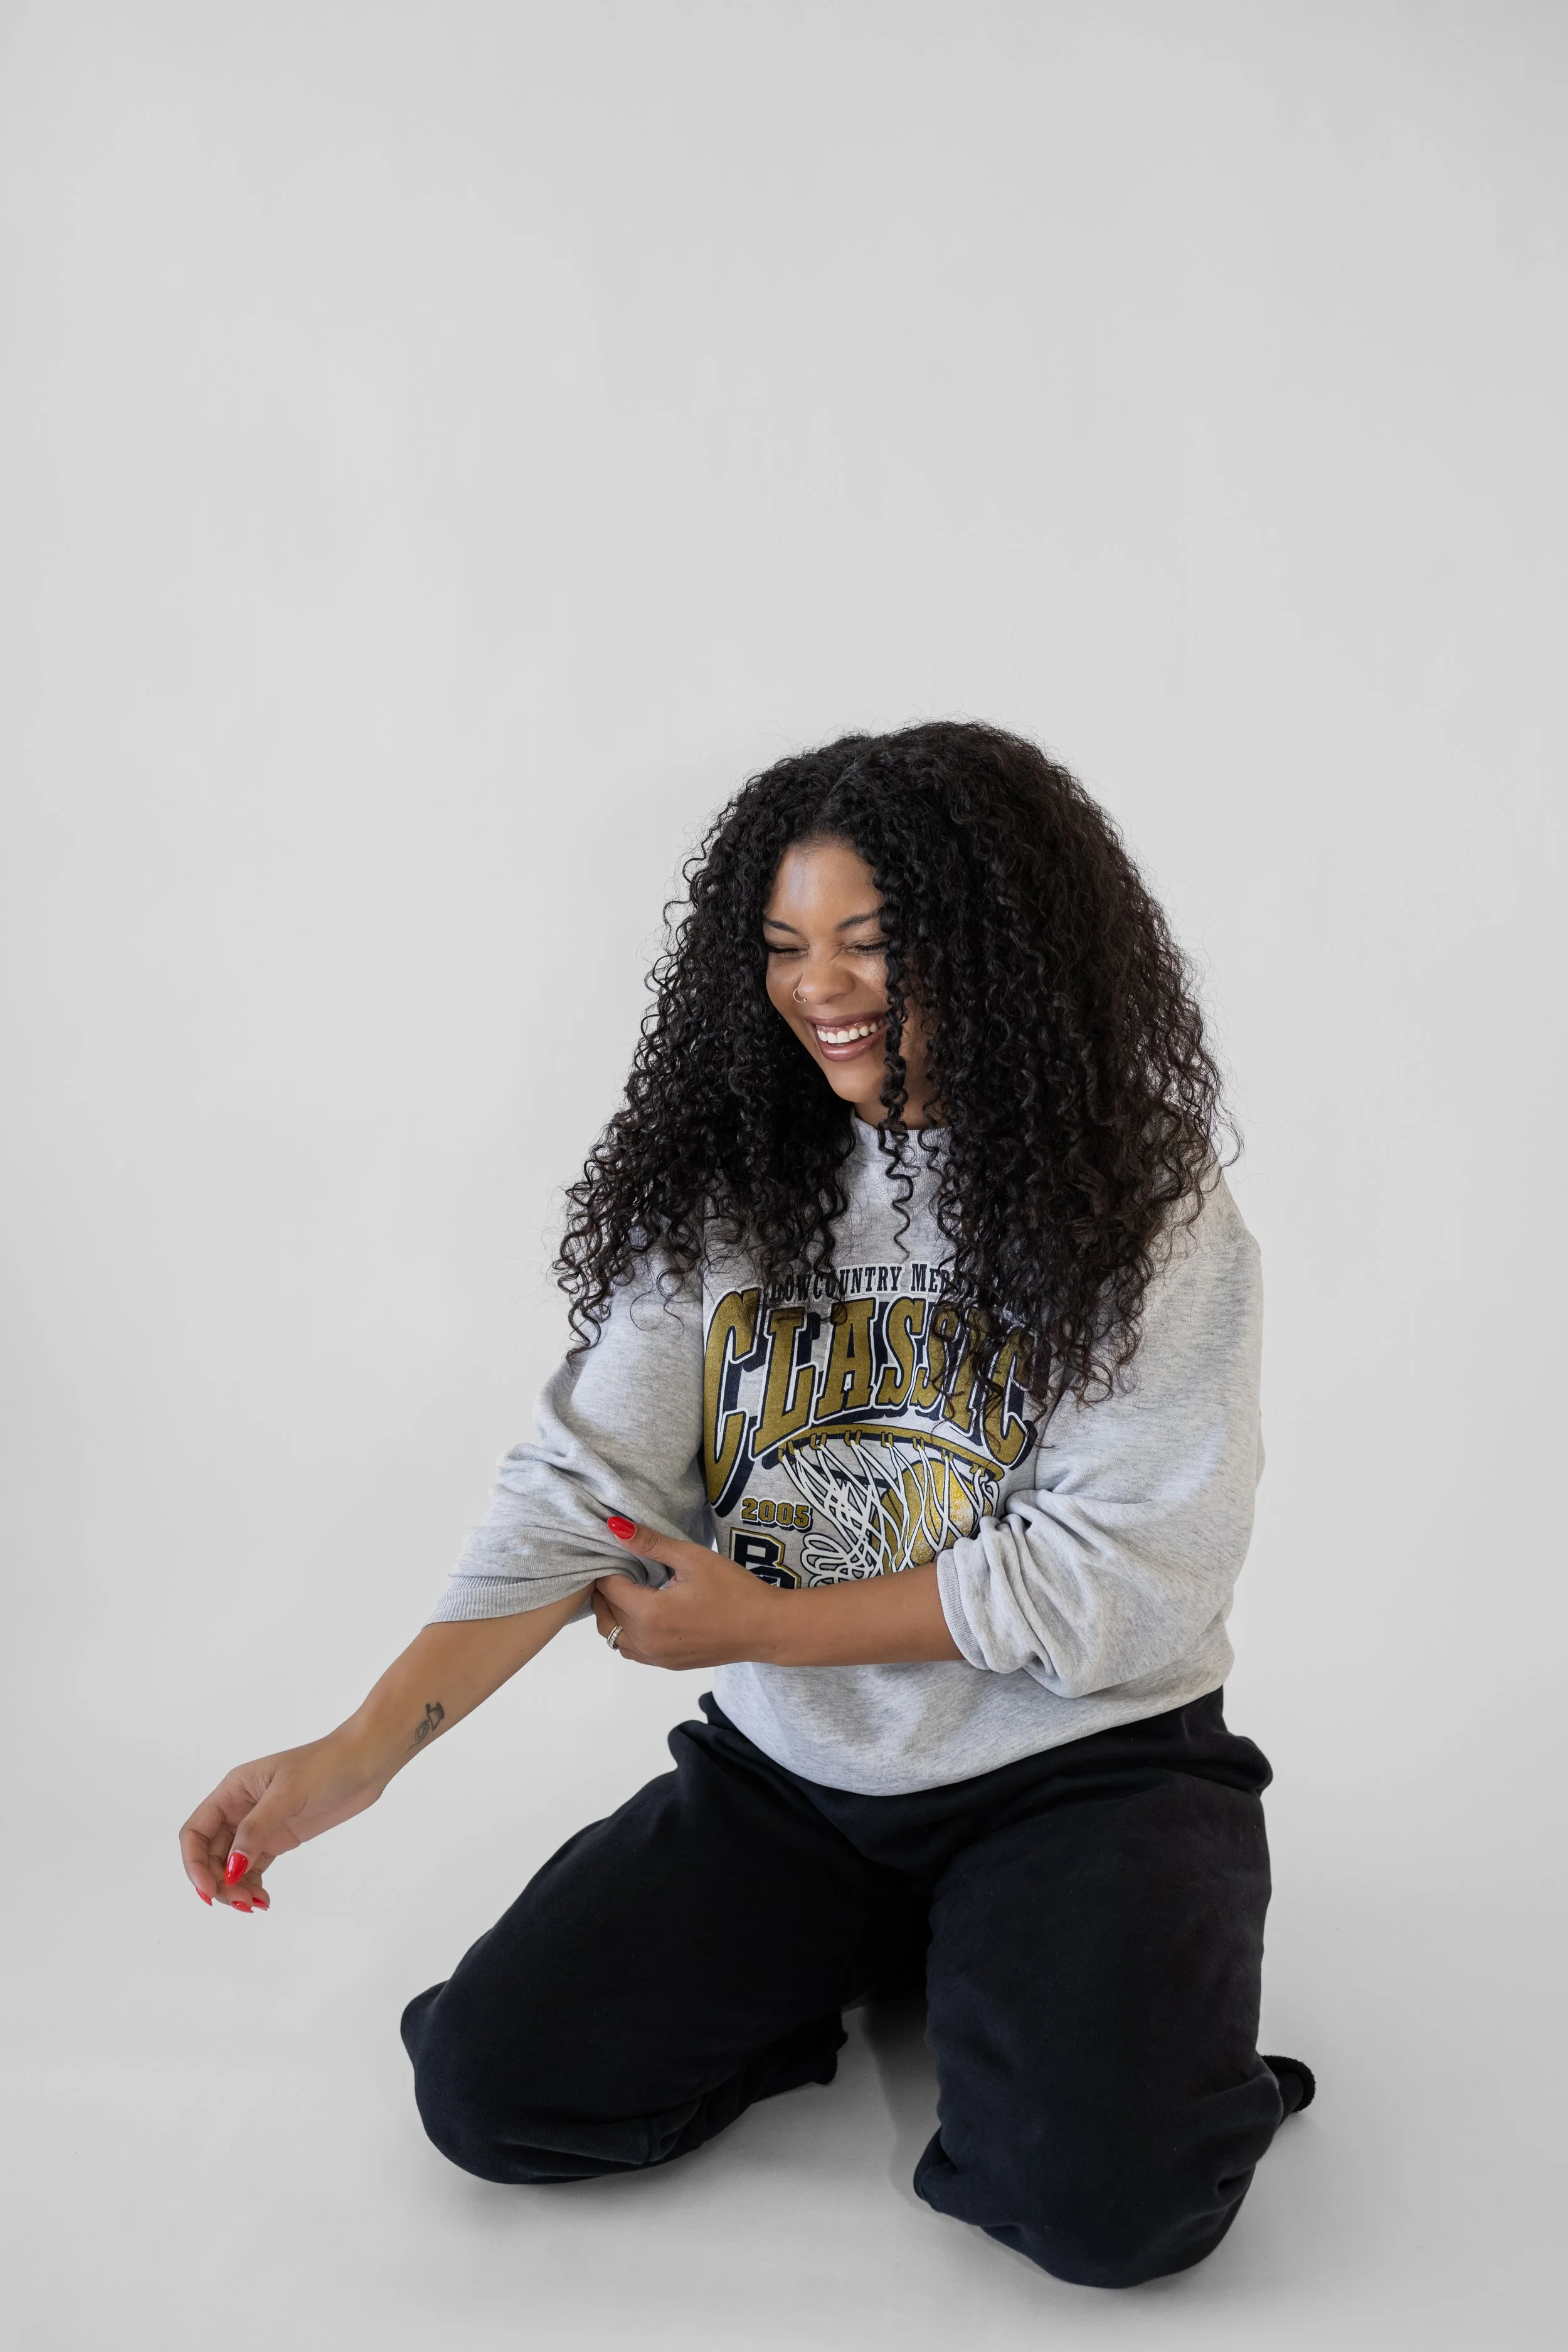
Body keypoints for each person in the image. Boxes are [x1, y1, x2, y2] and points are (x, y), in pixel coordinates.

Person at [180, 720, 1313, 2290]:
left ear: (997, 948)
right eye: (782, 948)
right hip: (799, 1781)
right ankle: (889, 1962)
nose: (820, 989)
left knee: (1108, 2214)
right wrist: (358, 1753)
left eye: (869, 942)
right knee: (490, 2094)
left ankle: (1080, 2006)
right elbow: (583, 1490)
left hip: (1084, 1770)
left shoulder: (1140, 1195)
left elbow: (1131, 1575)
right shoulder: (729, 1184)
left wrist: (768, 1620)